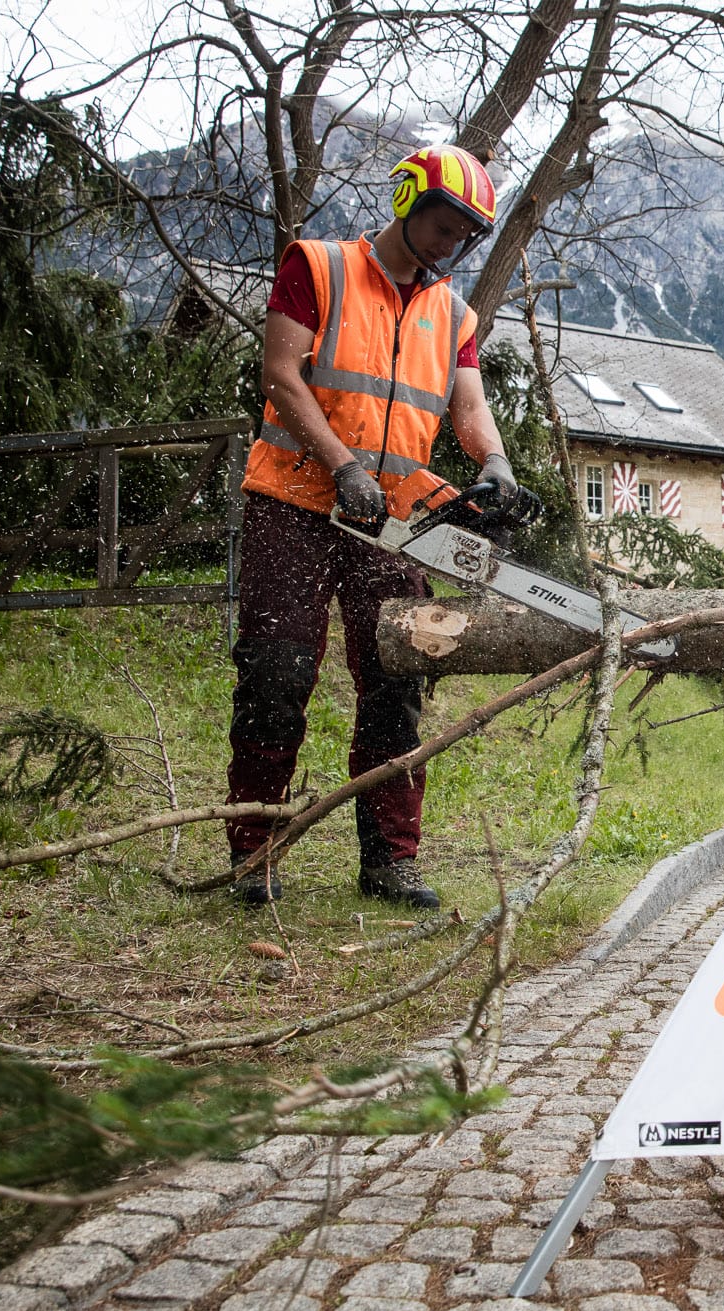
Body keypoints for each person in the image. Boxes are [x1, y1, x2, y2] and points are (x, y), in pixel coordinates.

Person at [226, 144, 533, 910]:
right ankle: (254, 850)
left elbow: (467, 404)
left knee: (397, 681)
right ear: (408, 202)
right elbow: (280, 374)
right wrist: (340, 464)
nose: (451, 242)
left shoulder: (454, 314)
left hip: (393, 521)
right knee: (275, 676)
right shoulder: (318, 267)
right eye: (444, 224)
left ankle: (390, 860)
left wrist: (495, 462)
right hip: (295, 503)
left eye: (465, 234)